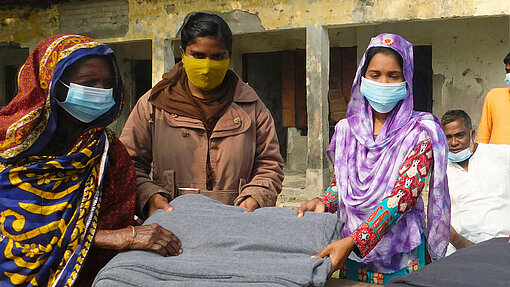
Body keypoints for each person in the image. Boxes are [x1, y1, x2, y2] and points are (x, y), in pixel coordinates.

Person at [0, 34, 181, 287]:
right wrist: (111, 237)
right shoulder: (8, 145)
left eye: (107, 83)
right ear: (51, 84)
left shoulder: (109, 154)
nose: (101, 92)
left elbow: (120, 218)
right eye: (89, 82)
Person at [297, 33, 450, 285]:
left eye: (393, 76)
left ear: (406, 80)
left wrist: (356, 241)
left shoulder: (419, 131)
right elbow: (344, 183)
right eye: (375, 75)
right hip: (352, 253)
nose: (383, 83)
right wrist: (324, 201)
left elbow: (402, 198)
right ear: (362, 78)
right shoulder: (347, 129)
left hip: (400, 253)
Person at [120, 12, 284, 220]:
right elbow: (128, 164)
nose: (207, 66)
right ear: (183, 53)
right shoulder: (154, 105)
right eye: (198, 55)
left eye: (217, 57)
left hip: (235, 220)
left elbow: (269, 165)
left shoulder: (251, 106)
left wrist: (255, 197)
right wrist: (150, 197)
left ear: (229, 56)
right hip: (170, 222)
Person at [441, 110, 510, 255]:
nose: (454, 143)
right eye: (448, 137)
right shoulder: (440, 170)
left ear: (472, 134)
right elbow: (438, 217)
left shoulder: (501, 154)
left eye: (460, 135)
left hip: (504, 240)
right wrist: (463, 244)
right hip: (464, 248)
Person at [477, 52, 510, 144]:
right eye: (507, 71)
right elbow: (483, 136)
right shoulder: (493, 96)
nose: (509, 75)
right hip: (498, 157)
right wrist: (479, 156)